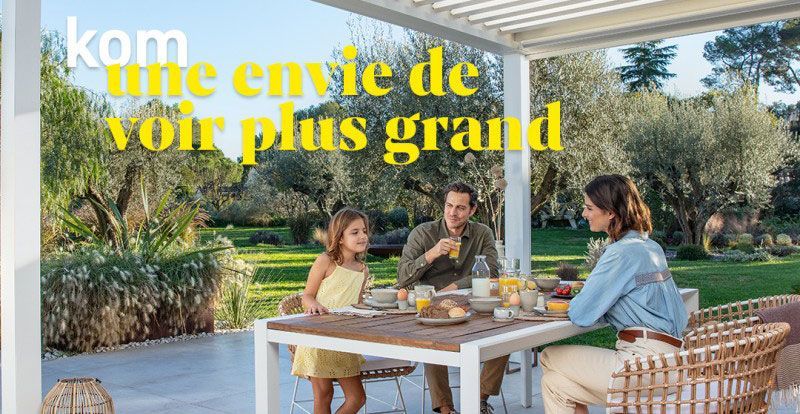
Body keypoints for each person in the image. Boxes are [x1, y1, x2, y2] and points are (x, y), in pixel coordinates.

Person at [540, 175, 689, 414]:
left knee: (548, 356)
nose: (584, 214)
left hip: (643, 365)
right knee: (555, 384)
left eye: (589, 208)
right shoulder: (651, 247)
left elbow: (580, 313)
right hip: (673, 362)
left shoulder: (620, 253)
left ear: (610, 212)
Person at [397, 182, 505, 414]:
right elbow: (403, 277)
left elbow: (493, 272)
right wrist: (432, 253)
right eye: (449, 205)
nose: (453, 213)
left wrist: (455, 287)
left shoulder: (482, 234)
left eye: (460, 208)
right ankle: (446, 409)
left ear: (472, 210)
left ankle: (478, 399)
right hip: (432, 306)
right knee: (431, 341)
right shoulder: (423, 233)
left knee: (504, 336)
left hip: (472, 304)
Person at [291, 208, 370, 414]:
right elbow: (306, 296)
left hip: (345, 340)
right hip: (319, 338)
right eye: (355, 232)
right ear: (340, 237)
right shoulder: (325, 261)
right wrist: (313, 304)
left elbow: (357, 303)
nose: (362, 236)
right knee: (324, 394)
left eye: (364, 231)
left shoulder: (362, 269)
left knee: (357, 398)